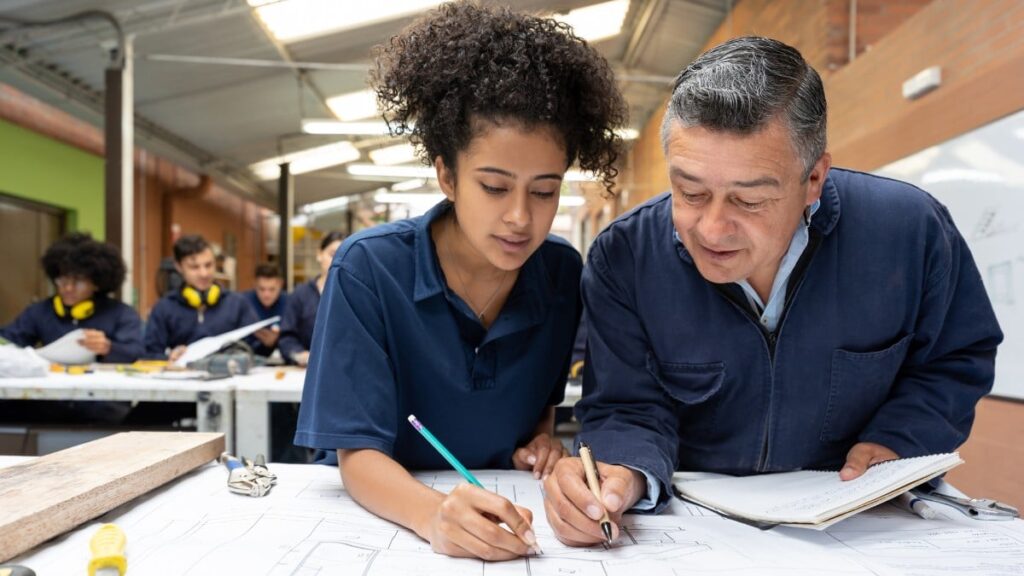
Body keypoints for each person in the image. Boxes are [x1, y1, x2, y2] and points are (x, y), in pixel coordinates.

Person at [542, 36, 1003, 546]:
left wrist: (900, 439)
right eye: (690, 192)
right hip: (693, 535)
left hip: (866, 525)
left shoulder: (910, 233)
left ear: (814, 180)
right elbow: (625, 405)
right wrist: (622, 475)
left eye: (750, 200)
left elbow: (955, 356)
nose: (713, 230)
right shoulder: (625, 257)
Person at [294, 1, 626, 561]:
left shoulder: (562, 273)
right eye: (495, 187)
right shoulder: (368, 269)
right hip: (379, 528)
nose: (521, 217)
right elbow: (355, 457)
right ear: (447, 174)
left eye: (544, 191)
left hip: (505, 512)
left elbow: (536, 410)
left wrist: (540, 445)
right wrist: (432, 513)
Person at [1, 232, 142, 363]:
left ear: (96, 283)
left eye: (78, 281)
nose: (68, 288)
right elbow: (8, 341)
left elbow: (136, 352)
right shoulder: (40, 311)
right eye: (62, 281)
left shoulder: (121, 313)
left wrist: (108, 348)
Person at [144, 234, 258, 361]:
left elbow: (257, 350)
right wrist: (169, 357)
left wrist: (269, 342)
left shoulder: (237, 303)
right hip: (182, 377)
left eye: (208, 265)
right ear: (178, 267)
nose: (204, 273)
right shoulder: (164, 307)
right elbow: (149, 354)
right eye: (194, 267)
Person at [277, 231, 344, 366]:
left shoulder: (356, 295)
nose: (338, 260)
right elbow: (286, 338)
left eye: (344, 256)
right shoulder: (300, 295)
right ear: (319, 254)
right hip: (307, 371)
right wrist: (299, 354)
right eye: (332, 254)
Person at [243, 263, 288, 357]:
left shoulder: (290, 303)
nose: (266, 295)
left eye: (272, 289)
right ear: (254, 285)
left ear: (280, 284)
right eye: (262, 289)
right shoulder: (243, 302)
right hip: (249, 356)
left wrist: (279, 338)